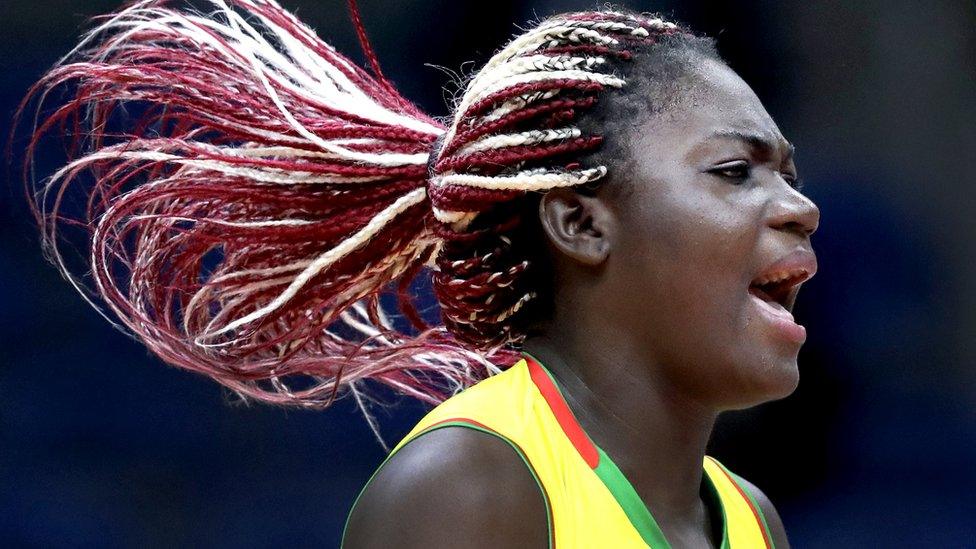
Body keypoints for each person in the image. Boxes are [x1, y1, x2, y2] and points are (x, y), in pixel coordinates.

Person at [21, 1, 817, 547]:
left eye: (790, 172)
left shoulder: (750, 518)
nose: (799, 207)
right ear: (580, 221)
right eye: (733, 170)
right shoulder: (472, 489)